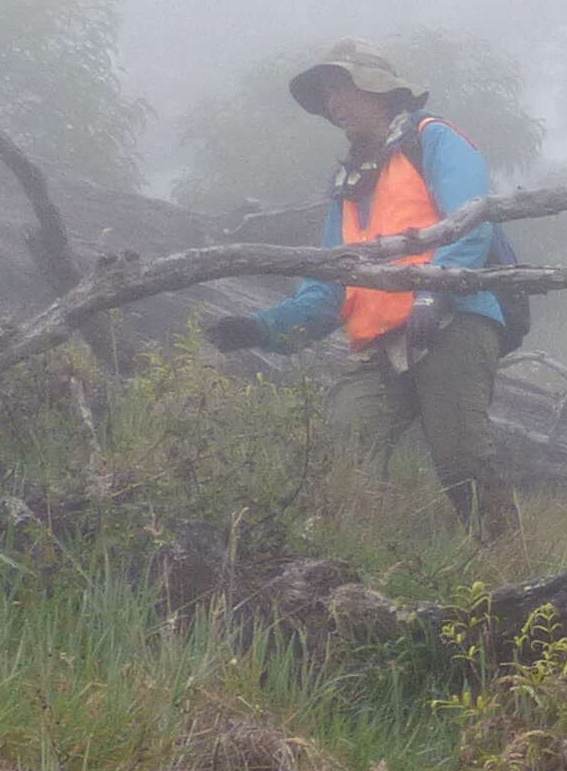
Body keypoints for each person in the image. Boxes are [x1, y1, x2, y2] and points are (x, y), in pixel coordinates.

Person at [202, 41, 524, 541]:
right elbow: (329, 287)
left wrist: (432, 293)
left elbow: (471, 220)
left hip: (454, 320)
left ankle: (509, 563)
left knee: (461, 456)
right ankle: (355, 563)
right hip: (380, 343)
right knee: (344, 443)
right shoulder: (349, 181)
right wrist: (260, 329)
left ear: (378, 89)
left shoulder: (431, 138)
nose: (332, 102)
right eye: (326, 94)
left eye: (341, 87)